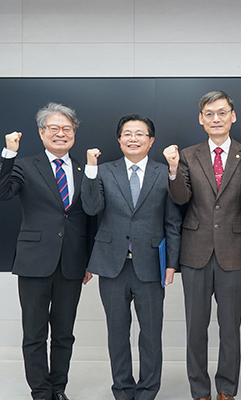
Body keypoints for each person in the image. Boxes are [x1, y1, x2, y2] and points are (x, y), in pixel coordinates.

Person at [162, 90, 241, 400]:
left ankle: (226, 389)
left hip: (234, 251)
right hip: (195, 251)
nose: (216, 118)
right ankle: (200, 391)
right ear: (201, 119)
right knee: (196, 328)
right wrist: (173, 169)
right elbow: (181, 199)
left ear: (233, 116)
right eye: (209, 114)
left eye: (222, 112)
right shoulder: (188, 155)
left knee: (230, 328)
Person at [0, 102, 93, 400]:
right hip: (34, 261)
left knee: (64, 333)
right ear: (41, 132)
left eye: (67, 129)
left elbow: (90, 217)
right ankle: (41, 391)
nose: (61, 134)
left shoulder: (83, 169)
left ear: (74, 133)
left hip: (72, 263)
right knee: (34, 333)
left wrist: (88, 260)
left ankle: (58, 388)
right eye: (54, 128)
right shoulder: (24, 165)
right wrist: (9, 153)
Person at [81, 114, 181, 400]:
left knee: (151, 334)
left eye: (140, 134)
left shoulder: (164, 173)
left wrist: (171, 263)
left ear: (151, 140)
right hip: (112, 265)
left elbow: (172, 221)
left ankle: (148, 390)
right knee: (117, 333)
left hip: (150, 265)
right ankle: (123, 390)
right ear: (119, 139)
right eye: (127, 133)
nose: (133, 139)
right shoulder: (104, 171)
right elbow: (91, 208)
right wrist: (90, 169)